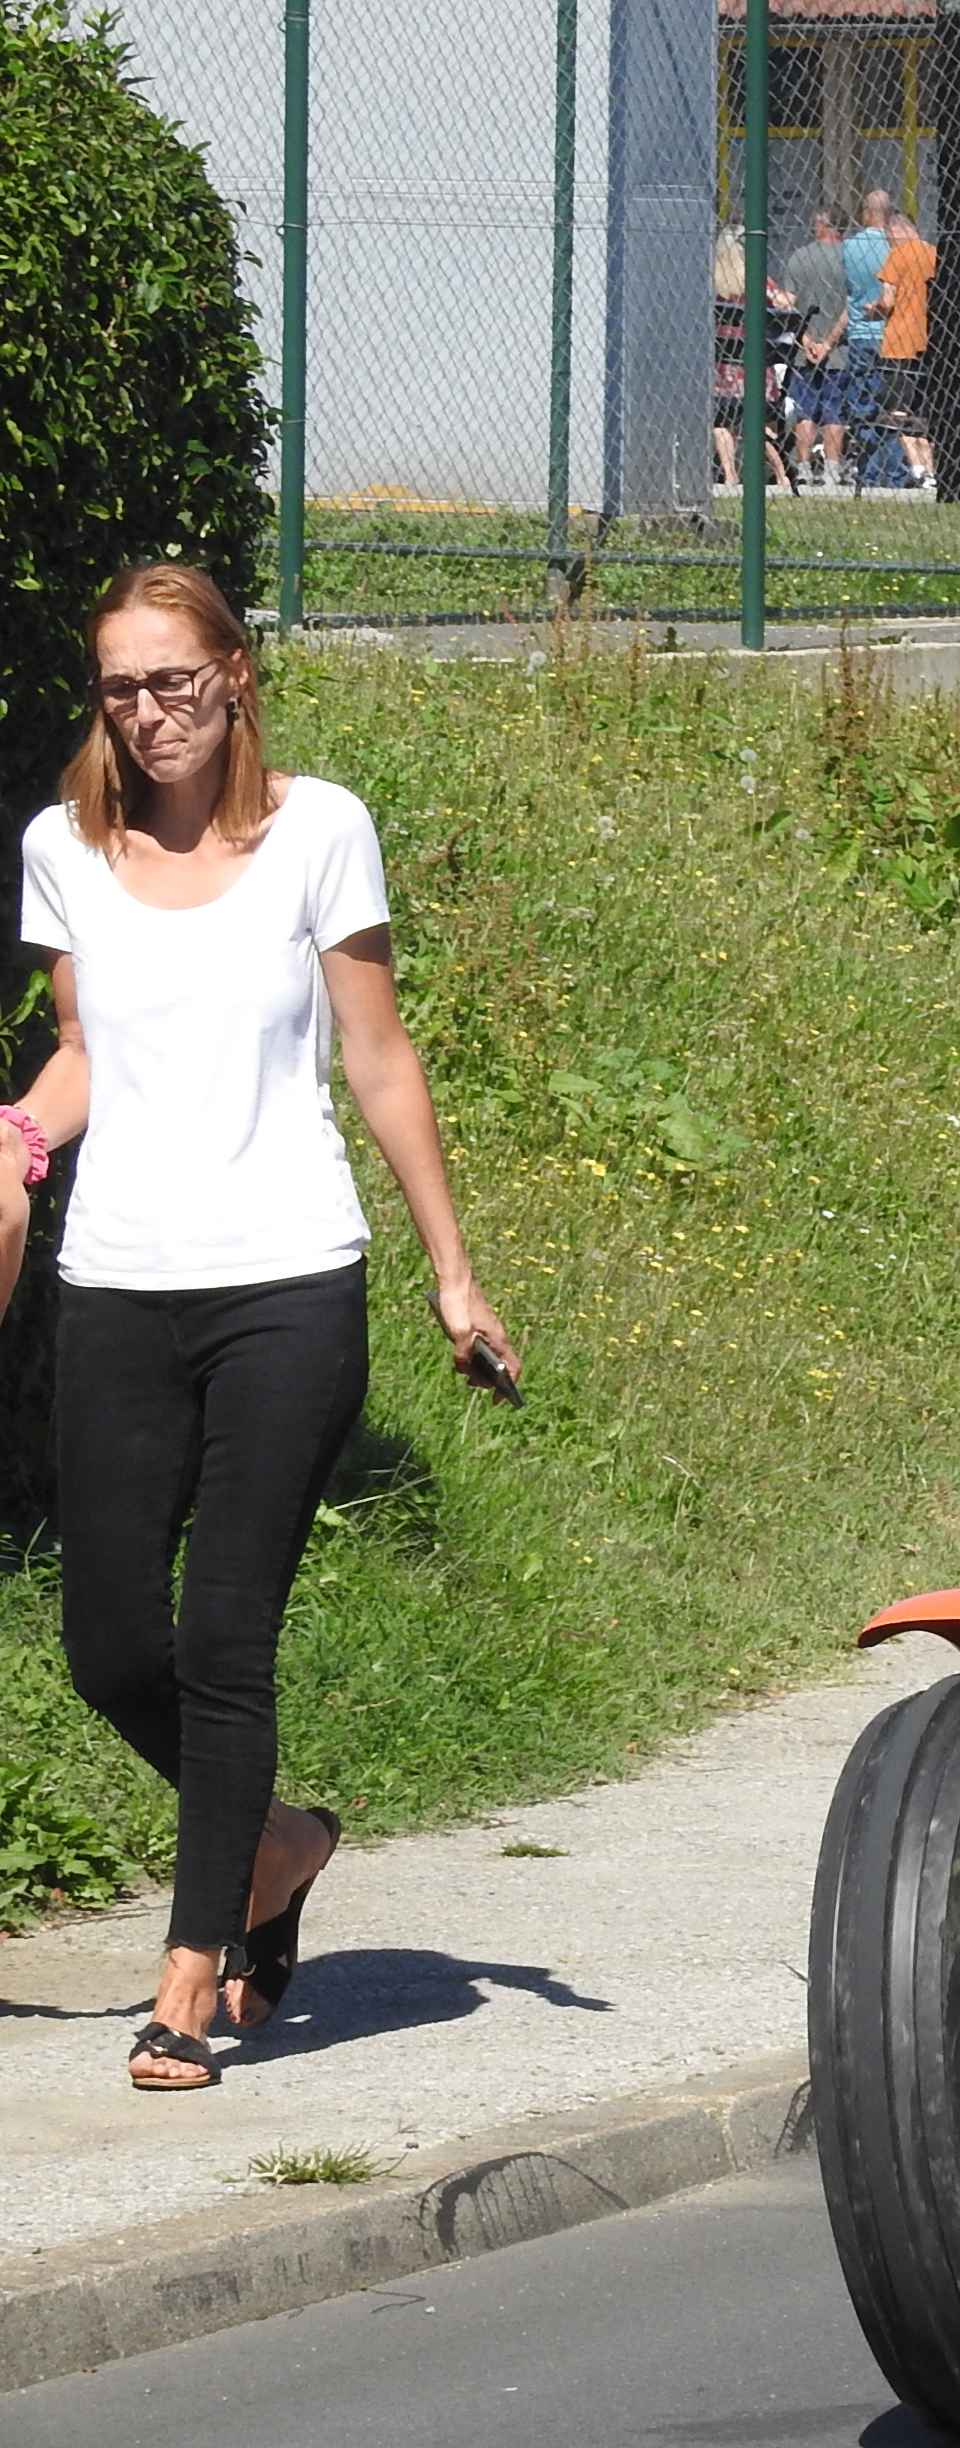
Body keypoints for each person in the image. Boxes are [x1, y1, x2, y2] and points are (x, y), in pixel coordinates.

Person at [11, 563, 520, 2093]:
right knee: (108, 1645)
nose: (149, 714)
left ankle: (190, 1966)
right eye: (121, 689)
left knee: (226, 1633)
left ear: (236, 675)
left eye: (175, 682)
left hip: (288, 1281)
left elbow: (375, 1053)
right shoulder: (64, 850)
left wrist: (452, 1269)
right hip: (116, 1285)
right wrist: (17, 1145)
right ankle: (282, 1847)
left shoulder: (319, 830)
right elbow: (84, 1057)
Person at [709, 226, 797, 497]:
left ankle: (731, 475)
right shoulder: (758, 280)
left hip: (725, 371)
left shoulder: (714, 282)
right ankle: (782, 475)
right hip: (758, 370)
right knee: (755, 422)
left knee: (721, 421)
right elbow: (784, 305)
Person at [776, 208, 850, 486]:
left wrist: (806, 340)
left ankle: (804, 468)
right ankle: (831, 472)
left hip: (803, 349)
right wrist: (828, 343)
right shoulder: (848, 259)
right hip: (839, 350)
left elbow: (788, 304)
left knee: (805, 410)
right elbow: (849, 308)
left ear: (821, 226)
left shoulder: (799, 257)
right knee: (834, 411)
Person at [874, 208, 943, 496]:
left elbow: (888, 301)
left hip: (899, 340)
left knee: (897, 408)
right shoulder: (934, 254)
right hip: (928, 341)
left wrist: (873, 309)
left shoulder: (897, 256)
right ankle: (930, 471)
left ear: (896, 231)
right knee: (923, 410)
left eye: (889, 238)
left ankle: (915, 467)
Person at [839, 189, 894, 464]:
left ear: (867, 213)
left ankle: (867, 465)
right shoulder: (894, 246)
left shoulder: (849, 247)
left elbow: (849, 291)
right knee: (892, 404)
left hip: (860, 331)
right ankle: (891, 466)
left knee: (862, 402)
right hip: (891, 332)